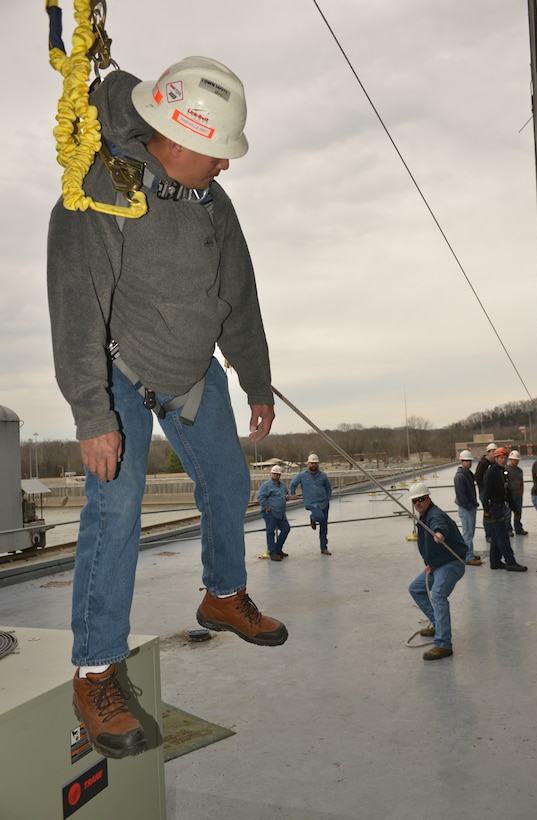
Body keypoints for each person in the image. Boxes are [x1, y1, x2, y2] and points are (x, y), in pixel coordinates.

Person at [47, 57, 288, 759]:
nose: (226, 168)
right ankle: (95, 671)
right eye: (218, 154)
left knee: (229, 480)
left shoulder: (213, 202)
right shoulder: (99, 190)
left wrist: (255, 380)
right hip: (117, 369)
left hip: (190, 370)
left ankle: (222, 595)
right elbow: (74, 308)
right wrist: (93, 414)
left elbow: (239, 291)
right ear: (179, 139)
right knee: (114, 509)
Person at [407, 483, 466, 661]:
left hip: (452, 563)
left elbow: (439, 525)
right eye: (415, 501)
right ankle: (438, 624)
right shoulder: (423, 517)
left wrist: (440, 534)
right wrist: (430, 563)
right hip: (438, 564)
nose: (418, 503)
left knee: (439, 594)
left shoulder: (434, 515)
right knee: (416, 588)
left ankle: (443, 644)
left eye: (421, 500)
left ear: (428, 499)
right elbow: (426, 545)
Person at [482, 448, 527, 571]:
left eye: (504, 458)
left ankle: (495, 561)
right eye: (500, 458)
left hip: (501, 506)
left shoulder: (503, 472)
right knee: (503, 536)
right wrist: (486, 510)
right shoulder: (491, 473)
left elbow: (507, 492)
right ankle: (510, 561)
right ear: (496, 458)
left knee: (496, 536)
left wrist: (515, 509)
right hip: (494, 508)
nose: (503, 460)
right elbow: (485, 493)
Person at [289, 454, 332, 554]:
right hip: (312, 503)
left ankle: (323, 547)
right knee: (319, 517)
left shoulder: (323, 476)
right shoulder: (302, 475)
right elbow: (293, 484)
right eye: (312, 463)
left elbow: (328, 488)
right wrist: (293, 494)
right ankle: (312, 518)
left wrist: (328, 498)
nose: (314, 465)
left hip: (324, 503)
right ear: (308, 464)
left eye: (315, 463)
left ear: (318, 464)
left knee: (324, 526)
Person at [453, 449, 482, 565]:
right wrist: (470, 505)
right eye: (466, 461)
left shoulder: (468, 474)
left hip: (469, 507)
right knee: (468, 533)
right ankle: (468, 557)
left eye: (470, 461)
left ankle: (468, 552)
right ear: (462, 461)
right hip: (466, 508)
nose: (469, 463)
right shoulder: (460, 476)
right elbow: (461, 495)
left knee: (470, 532)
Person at [257, 465, 291, 561]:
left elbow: (285, 495)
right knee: (270, 532)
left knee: (286, 529)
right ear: (271, 474)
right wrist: (266, 506)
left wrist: (288, 497)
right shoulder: (266, 485)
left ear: (280, 475)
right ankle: (273, 553)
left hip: (280, 513)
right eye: (274, 474)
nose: (276, 475)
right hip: (270, 513)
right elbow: (260, 497)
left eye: (278, 474)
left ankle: (278, 549)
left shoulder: (282, 485)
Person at [474, 442, 497, 542]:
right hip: (485, 493)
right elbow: (477, 477)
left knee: (493, 512)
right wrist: (484, 488)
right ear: (488, 452)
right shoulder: (483, 463)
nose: (495, 453)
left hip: (493, 493)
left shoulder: (494, 464)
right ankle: (488, 535)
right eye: (493, 451)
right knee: (487, 513)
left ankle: (494, 533)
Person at [505, 450, 528, 536]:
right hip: (509, 496)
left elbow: (521, 482)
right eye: (514, 460)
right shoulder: (506, 470)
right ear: (510, 460)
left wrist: (521, 492)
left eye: (517, 460)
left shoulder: (519, 471)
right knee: (508, 514)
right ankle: (508, 530)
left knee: (518, 513)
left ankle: (518, 528)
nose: (516, 462)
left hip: (518, 495)